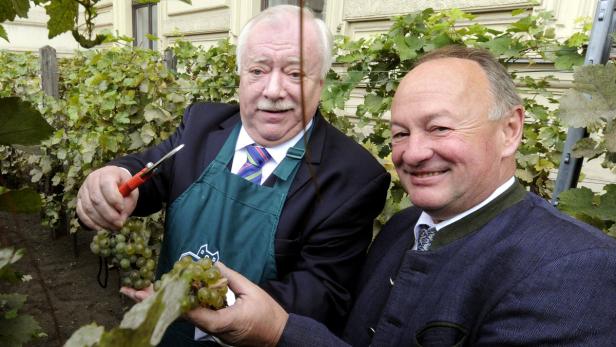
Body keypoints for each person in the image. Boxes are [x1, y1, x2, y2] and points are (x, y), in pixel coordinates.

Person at [187, 45, 616, 346]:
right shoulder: (400, 229)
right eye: (400, 133)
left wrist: (281, 331)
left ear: (510, 131)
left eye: (439, 128)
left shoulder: (574, 270)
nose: (412, 153)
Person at [75, 5, 390, 346]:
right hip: (166, 330)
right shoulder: (201, 123)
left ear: (320, 83)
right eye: (257, 70)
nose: (273, 90)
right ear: (241, 75)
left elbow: (321, 292)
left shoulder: (354, 177)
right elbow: (151, 169)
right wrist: (113, 175)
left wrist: (215, 302)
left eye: (295, 74)